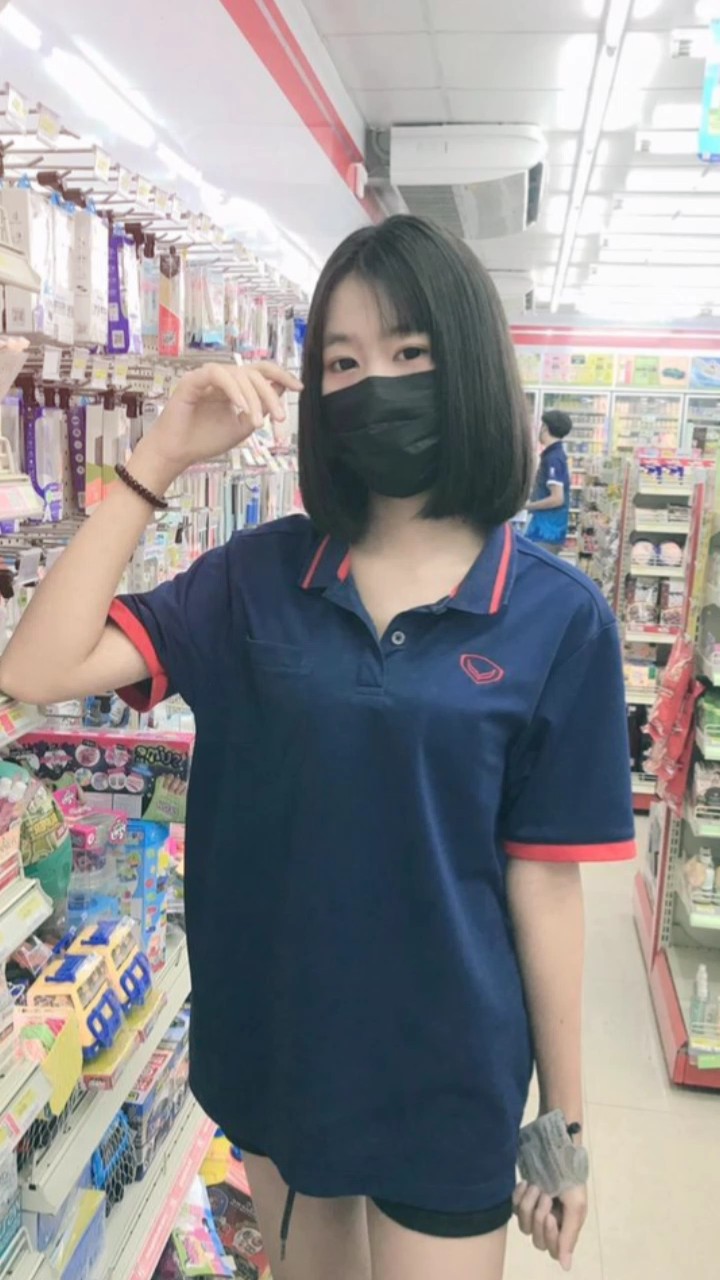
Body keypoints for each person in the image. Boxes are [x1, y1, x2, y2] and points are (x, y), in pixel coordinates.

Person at [0, 216, 634, 1280]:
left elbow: (544, 883)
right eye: (343, 362)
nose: (374, 383)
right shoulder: (255, 579)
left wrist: (562, 1123)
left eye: (409, 352)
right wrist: (158, 455)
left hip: (452, 1070)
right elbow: (36, 666)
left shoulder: (558, 617)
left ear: (470, 365)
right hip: (283, 1051)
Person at [525, 409, 573, 554]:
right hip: (546, 530)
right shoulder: (554, 455)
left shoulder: (553, 458)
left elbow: (557, 499)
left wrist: (527, 506)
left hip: (547, 533)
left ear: (545, 427)